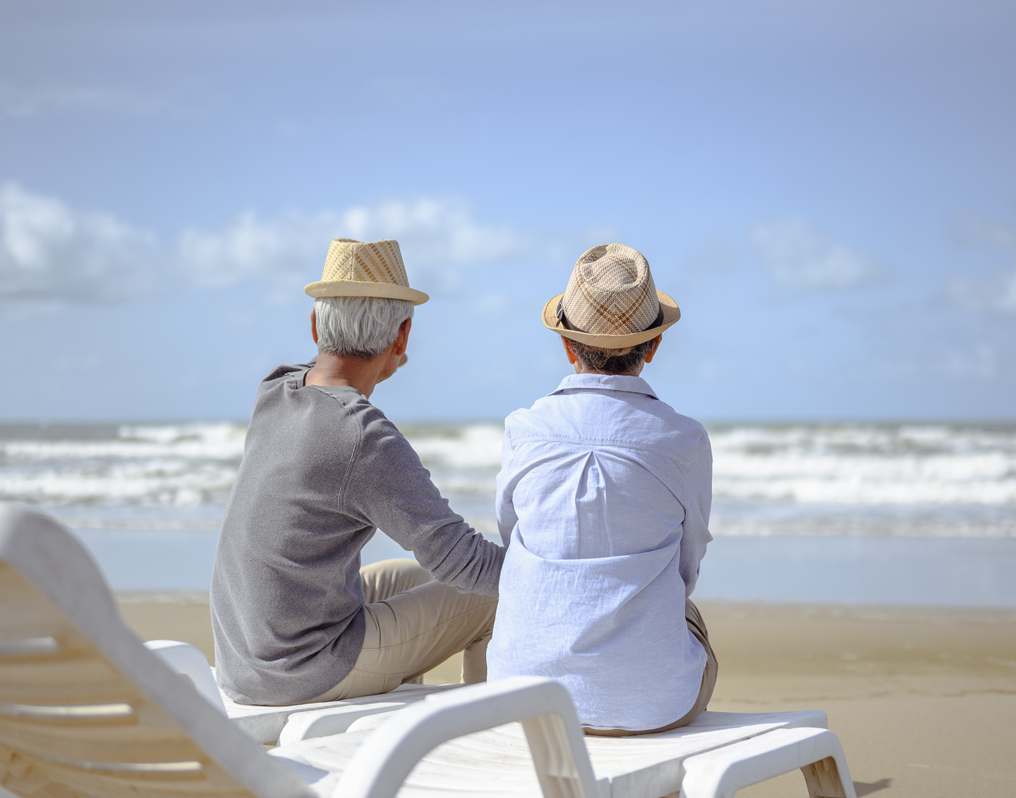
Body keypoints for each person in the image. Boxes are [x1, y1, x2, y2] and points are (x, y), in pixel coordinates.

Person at [211, 238, 503, 706]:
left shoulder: (276, 389)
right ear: (403, 337)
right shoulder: (363, 436)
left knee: (412, 575)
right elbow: (463, 561)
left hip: (244, 657)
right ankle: (499, 726)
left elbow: (334, 375)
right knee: (492, 595)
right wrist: (555, 569)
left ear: (314, 326)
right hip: (302, 670)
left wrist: (378, 347)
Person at [487, 243, 717, 735]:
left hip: (519, 700)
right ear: (653, 346)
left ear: (567, 346)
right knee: (686, 614)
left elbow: (512, 539)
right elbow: (687, 565)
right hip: (651, 707)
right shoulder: (684, 439)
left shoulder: (523, 428)